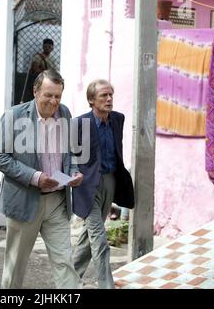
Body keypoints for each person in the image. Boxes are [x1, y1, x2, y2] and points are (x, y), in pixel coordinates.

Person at [0, 69, 83, 289]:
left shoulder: (65, 113)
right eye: (48, 95)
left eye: (58, 96)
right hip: (25, 201)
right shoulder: (14, 116)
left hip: (58, 201)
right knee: (15, 267)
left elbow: (70, 152)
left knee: (65, 263)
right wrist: (35, 177)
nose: (53, 101)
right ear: (35, 91)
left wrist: (74, 172)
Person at [72, 79, 134, 289]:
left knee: (87, 239)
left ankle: (69, 281)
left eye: (111, 95)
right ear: (91, 100)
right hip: (87, 185)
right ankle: (106, 285)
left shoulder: (118, 119)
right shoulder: (79, 123)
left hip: (110, 181)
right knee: (99, 239)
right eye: (103, 96)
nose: (109, 99)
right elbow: (69, 154)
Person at [20, 39, 56, 104]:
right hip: (40, 81)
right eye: (46, 46)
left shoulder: (52, 59)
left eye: (49, 47)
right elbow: (35, 68)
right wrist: (45, 73)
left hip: (50, 82)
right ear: (43, 47)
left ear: (52, 48)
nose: (47, 48)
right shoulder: (38, 57)